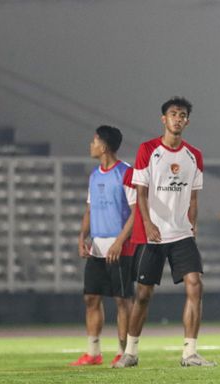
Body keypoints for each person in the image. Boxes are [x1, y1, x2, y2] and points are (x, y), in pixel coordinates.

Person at [112, 96, 214, 368]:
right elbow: (141, 193)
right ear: (163, 119)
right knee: (143, 294)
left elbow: (193, 198)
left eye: (182, 115)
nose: (177, 119)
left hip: (181, 234)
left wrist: (193, 225)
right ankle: (130, 352)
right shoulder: (148, 150)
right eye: (173, 114)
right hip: (152, 235)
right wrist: (147, 223)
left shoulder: (194, 156)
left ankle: (190, 353)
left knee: (195, 285)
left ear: (187, 121)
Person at [72, 125, 136, 367]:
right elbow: (90, 209)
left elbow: (136, 211)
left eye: (94, 140)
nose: (91, 145)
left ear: (105, 146)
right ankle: (93, 352)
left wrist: (120, 241)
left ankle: (124, 352)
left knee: (122, 300)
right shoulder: (95, 175)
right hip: (97, 247)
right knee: (91, 298)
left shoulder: (126, 173)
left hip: (119, 248)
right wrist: (82, 237)